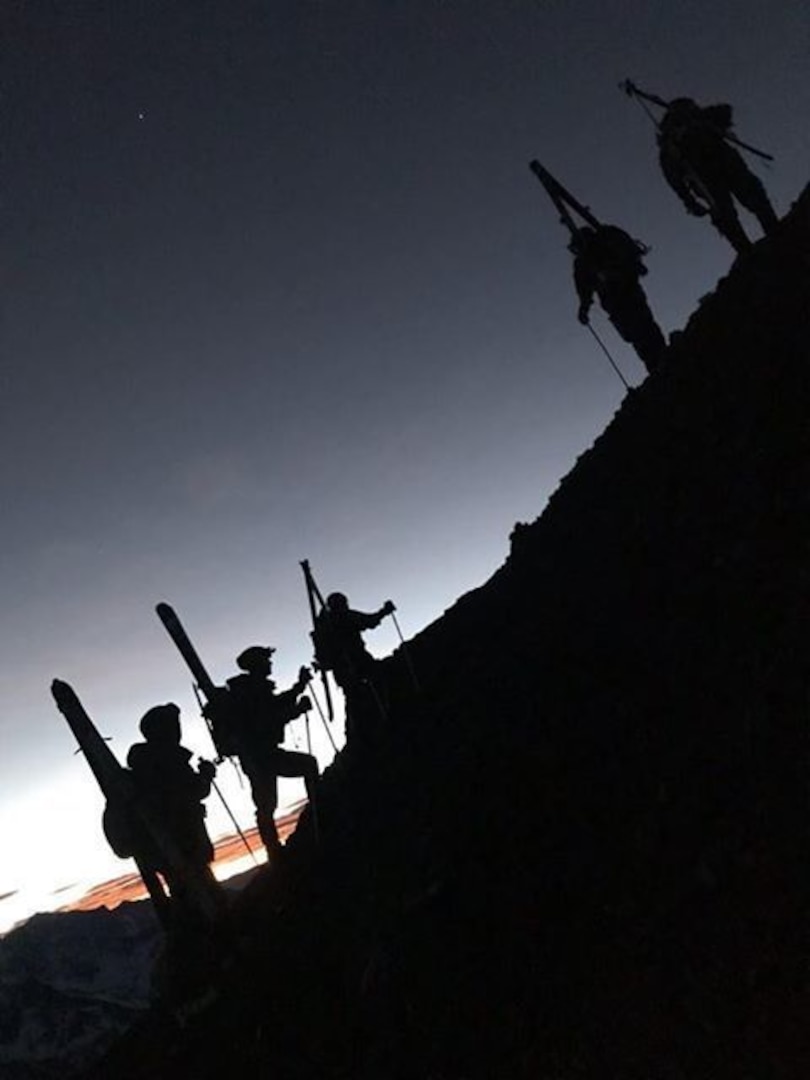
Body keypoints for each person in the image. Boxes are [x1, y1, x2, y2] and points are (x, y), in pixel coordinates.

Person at [126, 703, 221, 925]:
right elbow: (195, 791)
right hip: (186, 844)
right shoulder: (168, 760)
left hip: (164, 851)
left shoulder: (144, 765)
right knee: (206, 898)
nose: (178, 730)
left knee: (186, 897)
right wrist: (206, 775)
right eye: (172, 725)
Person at [224, 645, 319, 858]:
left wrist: (300, 685)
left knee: (266, 804)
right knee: (269, 802)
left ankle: (274, 850)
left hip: (258, 756)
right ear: (257, 664)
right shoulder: (251, 691)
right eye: (266, 660)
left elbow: (276, 705)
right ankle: (277, 848)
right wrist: (298, 709)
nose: (270, 663)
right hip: (260, 756)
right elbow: (267, 720)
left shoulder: (252, 688)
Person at [657, 97, 778, 254]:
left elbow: (725, 111)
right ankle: (747, 252)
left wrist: (699, 117)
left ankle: (775, 234)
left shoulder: (703, 120)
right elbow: (673, 176)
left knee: (754, 199)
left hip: (730, 167)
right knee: (726, 215)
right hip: (707, 180)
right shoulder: (671, 142)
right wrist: (689, 201)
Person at [571, 225, 667, 375]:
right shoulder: (586, 259)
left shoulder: (589, 256)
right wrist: (584, 308)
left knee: (641, 328)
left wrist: (584, 308)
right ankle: (657, 361)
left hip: (622, 295)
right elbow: (584, 289)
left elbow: (584, 289)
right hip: (620, 298)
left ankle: (660, 361)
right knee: (640, 330)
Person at [314, 593, 395, 744]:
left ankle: (357, 735)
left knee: (353, 698)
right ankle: (377, 722)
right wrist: (384, 611)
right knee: (372, 683)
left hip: (344, 667)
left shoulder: (324, 623)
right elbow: (369, 621)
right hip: (354, 660)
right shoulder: (342, 617)